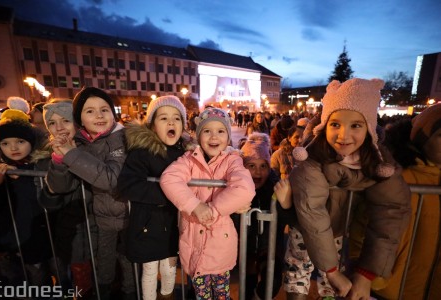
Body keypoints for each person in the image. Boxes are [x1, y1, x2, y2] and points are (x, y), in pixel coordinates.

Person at [285, 78, 411, 300]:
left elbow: (392, 209)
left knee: (330, 290)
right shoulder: (312, 155)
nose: (343, 136)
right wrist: (331, 270)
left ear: (369, 128)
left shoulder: (379, 162)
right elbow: (312, 209)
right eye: (335, 124)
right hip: (303, 230)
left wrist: (366, 273)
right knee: (298, 281)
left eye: (356, 125)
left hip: (339, 232)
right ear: (325, 125)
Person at [45, 87, 135, 300]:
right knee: (102, 265)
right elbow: (61, 187)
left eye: (105, 109)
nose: (99, 116)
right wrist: (60, 159)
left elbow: (111, 179)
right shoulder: (80, 144)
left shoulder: (120, 139)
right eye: (90, 111)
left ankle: (129, 294)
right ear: (80, 119)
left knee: (127, 264)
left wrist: (71, 154)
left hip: (125, 218)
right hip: (95, 221)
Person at [159, 107, 256, 299]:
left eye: (220, 131)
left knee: (222, 294)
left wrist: (213, 209)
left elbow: (245, 187)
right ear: (198, 135)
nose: (214, 136)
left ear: (228, 137)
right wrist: (195, 205)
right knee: (201, 295)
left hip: (220, 244)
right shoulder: (188, 160)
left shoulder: (232, 161)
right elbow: (169, 178)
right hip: (193, 242)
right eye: (207, 131)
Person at [360, 103, 440, 299]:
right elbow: (364, 225)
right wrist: (372, 273)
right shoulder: (397, 175)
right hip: (394, 285)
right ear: (422, 137)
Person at [117, 96, 190, 300]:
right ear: (152, 125)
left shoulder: (186, 154)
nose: (171, 122)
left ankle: (167, 296)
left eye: (177, 118)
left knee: (169, 270)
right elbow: (128, 185)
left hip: (173, 225)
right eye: (163, 118)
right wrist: (171, 194)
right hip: (148, 224)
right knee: (149, 271)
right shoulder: (142, 152)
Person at [32, 99, 97, 297]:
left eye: (65, 121)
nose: (59, 127)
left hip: (100, 232)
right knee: (81, 286)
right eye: (52, 123)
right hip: (71, 237)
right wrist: (59, 165)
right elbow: (47, 202)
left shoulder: (95, 151)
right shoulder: (44, 159)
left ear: (77, 122)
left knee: (107, 283)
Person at [0, 109, 53, 287]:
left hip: (48, 232)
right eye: (5, 143)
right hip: (22, 237)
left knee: (57, 272)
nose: (13, 148)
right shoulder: (0, 169)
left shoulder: (40, 164)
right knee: (36, 276)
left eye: (20, 141)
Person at [236, 132, 292, 299]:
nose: (257, 172)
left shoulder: (276, 186)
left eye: (263, 166)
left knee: (271, 282)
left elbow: (288, 219)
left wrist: (285, 203)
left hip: (270, 245)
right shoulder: (237, 188)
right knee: (246, 283)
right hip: (245, 245)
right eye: (251, 166)